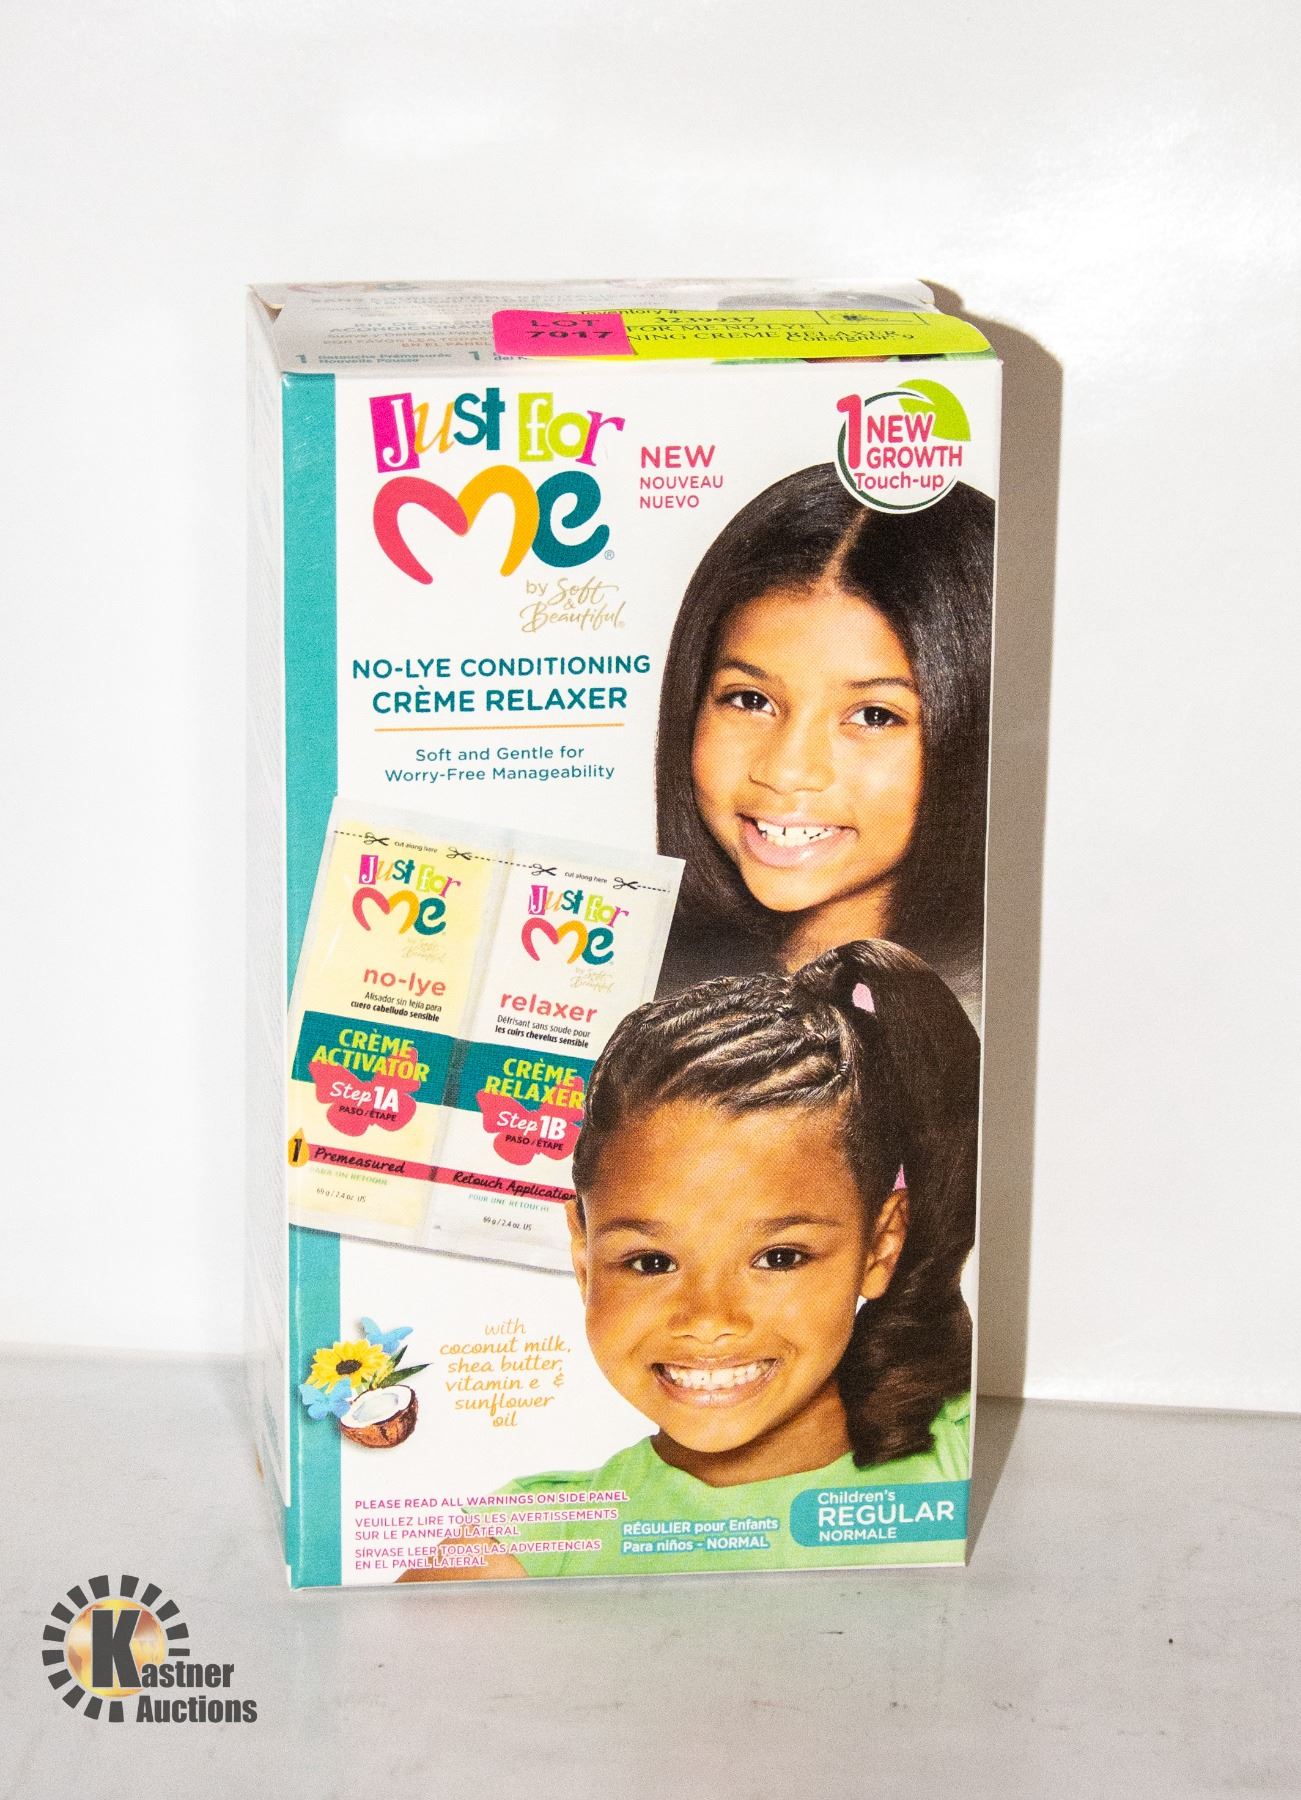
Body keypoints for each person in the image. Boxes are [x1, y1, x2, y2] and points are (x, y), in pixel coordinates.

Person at [397, 939, 978, 1581]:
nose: (708, 1319)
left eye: (778, 1257)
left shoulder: (968, 1462)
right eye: (652, 1262)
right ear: (584, 1254)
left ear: (882, 1245)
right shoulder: (515, 1550)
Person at [655, 467, 994, 1019]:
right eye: (750, 699)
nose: (786, 770)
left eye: (874, 715)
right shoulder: (618, 976)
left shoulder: (1018, 1004)